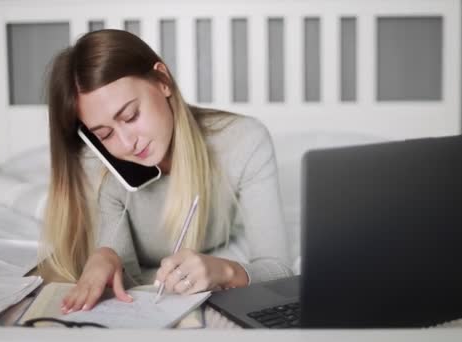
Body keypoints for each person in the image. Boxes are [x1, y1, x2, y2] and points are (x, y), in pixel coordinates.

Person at [41, 29, 293, 314]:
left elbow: (280, 270)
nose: (127, 144)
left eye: (131, 116)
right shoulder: (102, 170)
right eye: (104, 134)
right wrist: (105, 256)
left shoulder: (244, 142)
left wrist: (226, 271)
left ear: (163, 80)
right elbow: (128, 283)